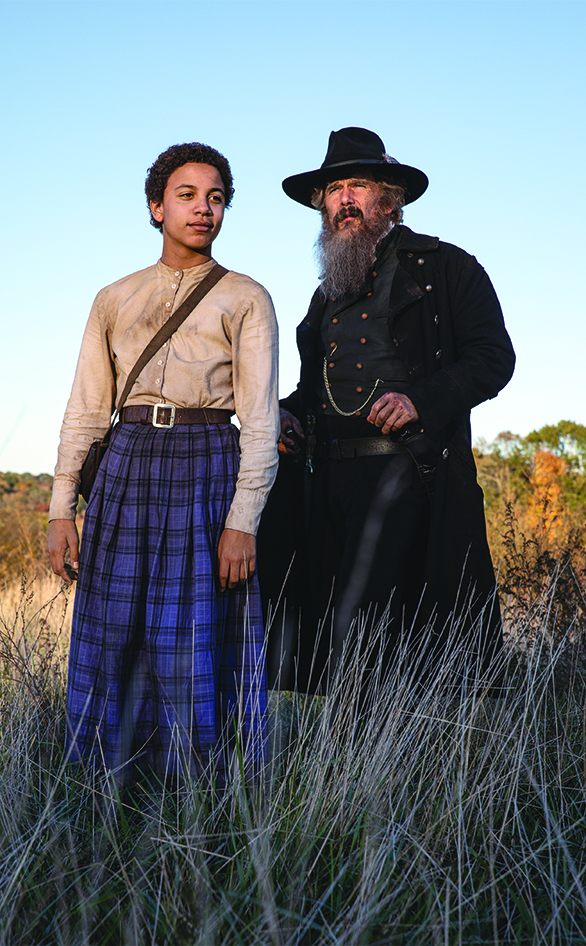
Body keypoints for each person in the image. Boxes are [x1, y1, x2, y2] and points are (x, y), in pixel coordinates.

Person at [49, 142, 279, 786]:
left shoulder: (245, 298)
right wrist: (61, 508)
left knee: (196, 635)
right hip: (124, 463)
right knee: (111, 627)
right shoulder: (113, 298)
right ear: (155, 207)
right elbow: (87, 408)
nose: (203, 209)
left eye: (216, 198)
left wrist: (244, 522)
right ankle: (102, 781)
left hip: (208, 463)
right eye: (186, 195)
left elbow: (259, 420)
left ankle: (198, 787)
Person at [258, 127, 515, 695]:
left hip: (412, 472)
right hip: (327, 482)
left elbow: (494, 357)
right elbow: (316, 387)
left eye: (358, 185)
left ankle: (407, 764)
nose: (344, 199)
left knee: (391, 631)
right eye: (333, 190)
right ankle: (348, 768)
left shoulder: (447, 267)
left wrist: (420, 400)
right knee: (335, 630)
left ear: (389, 199)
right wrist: (288, 415)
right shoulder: (325, 296)